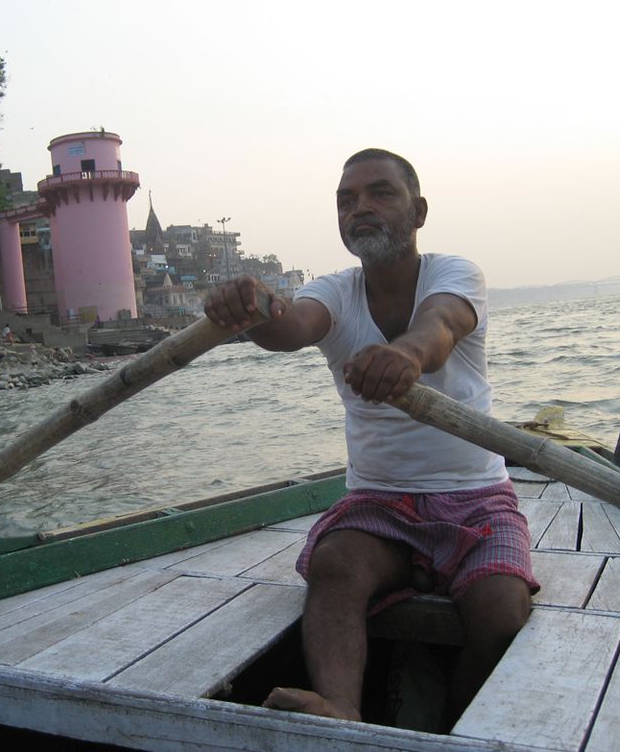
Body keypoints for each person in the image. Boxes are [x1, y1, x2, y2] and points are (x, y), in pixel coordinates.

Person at [203, 149, 538, 727]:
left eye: (380, 193)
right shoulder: (333, 291)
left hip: (476, 498)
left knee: (503, 612)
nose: (360, 208)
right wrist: (252, 309)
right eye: (346, 200)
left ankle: (454, 729)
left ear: (419, 210)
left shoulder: (454, 273)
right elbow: (292, 327)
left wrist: (405, 355)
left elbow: (441, 326)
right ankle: (343, 710)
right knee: (335, 565)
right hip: (379, 503)